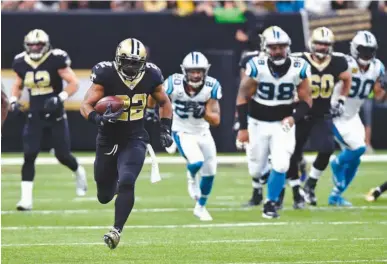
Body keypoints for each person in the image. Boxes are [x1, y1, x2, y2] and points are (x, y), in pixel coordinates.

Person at [80, 38, 173, 249]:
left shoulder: (151, 74)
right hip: (108, 137)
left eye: (135, 62)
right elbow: (86, 105)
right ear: (117, 59)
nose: (131, 67)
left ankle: (116, 230)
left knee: (128, 180)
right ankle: (112, 189)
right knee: (104, 196)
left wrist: (166, 128)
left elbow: (164, 102)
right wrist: (98, 119)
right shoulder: (105, 73)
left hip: (135, 136)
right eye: (127, 62)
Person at [236, 26, 312, 218]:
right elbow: (242, 97)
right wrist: (243, 128)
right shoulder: (256, 66)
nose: (278, 51)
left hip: (282, 124)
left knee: (281, 165)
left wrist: (294, 117)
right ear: (265, 48)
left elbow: (306, 101)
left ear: (288, 47)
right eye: (273, 47)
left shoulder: (299, 67)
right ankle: (266, 177)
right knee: (256, 169)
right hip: (257, 123)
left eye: (281, 47)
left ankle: (270, 203)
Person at [10, 29, 87, 211]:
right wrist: (14, 100)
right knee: (29, 154)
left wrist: (60, 97)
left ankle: (79, 172)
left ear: (46, 45)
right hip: (34, 114)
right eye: (32, 45)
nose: (35, 48)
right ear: (26, 46)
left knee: (62, 155)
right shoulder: (20, 61)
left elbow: (74, 83)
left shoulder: (56, 59)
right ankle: (26, 200)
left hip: (55, 115)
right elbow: (17, 84)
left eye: (38, 45)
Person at [150, 51, 222, 220]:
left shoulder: (212, 86)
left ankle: (200, 206)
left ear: (205, 72)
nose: (196, 75)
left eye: (199, 71)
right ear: (185, 71)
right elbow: (155, 95)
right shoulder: (173, 83)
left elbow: (216, 120)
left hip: (203, 131)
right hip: (181, 129)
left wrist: (204, 112)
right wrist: (150, 110)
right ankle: (191, 176)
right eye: (192, 71)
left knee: (210, 171)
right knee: (196, 161)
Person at [288, 27, 351, 208]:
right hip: (300, 112)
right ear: (311, 43)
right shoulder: (298, 60)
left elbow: (347, 78)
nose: (322, 47)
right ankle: (295, 193)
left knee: (327, 148)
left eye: (326, 44)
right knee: (291, 152)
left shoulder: (338, 61)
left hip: (321, 113)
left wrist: (340, 99)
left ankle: (310, 185)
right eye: (319, 43)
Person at [330, 31, 385, 205]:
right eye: (363, 50)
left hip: (353, 116)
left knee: (357, 158)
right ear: (354, 49)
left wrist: (383, 87)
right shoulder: (343, 62)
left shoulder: (377, 67)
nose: (366, 54)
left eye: (370, 50)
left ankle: (336, 195)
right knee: (358, 149)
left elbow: (378, 95)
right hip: (336, 114)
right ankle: (336, 163)